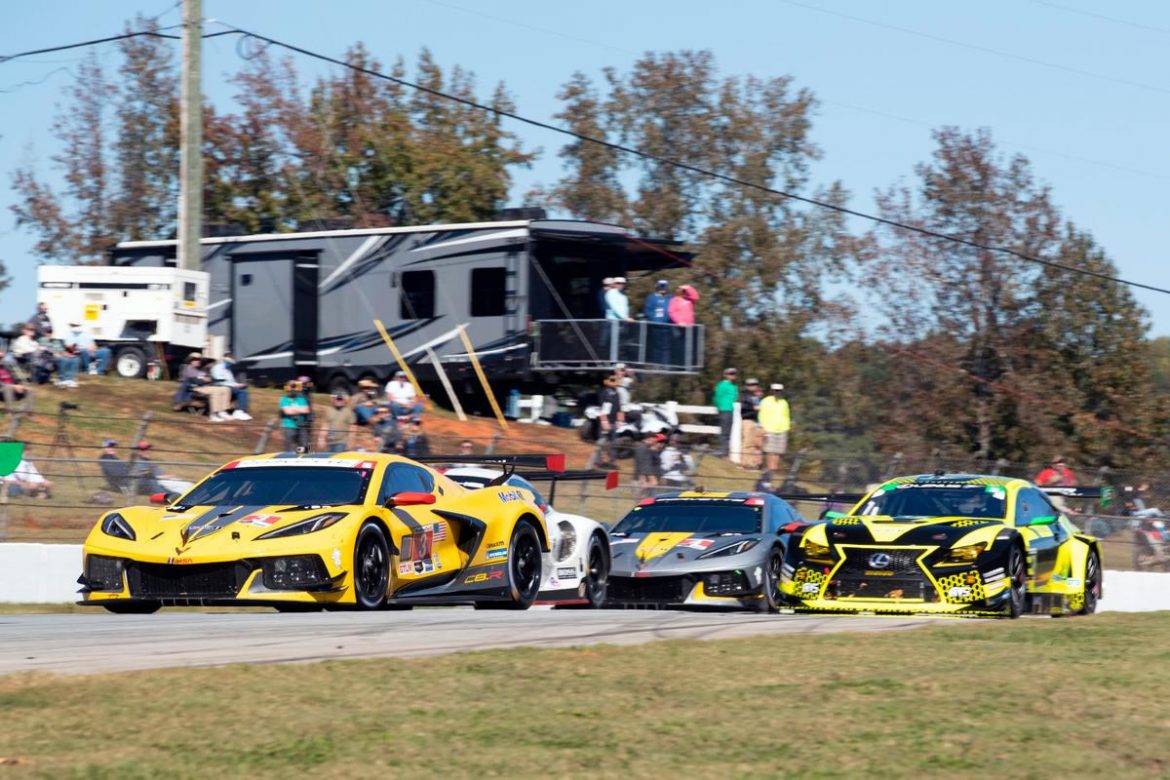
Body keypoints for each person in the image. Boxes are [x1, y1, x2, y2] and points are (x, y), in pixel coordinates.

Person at [182, 354, 232, 422]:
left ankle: (222, 411)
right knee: (216, 391)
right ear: (191, 361)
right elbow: (197, 381)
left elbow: (209, 379)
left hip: (205, 386)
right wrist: (204, 379)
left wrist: (205, 379)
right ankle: (213, 414)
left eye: (198, 360)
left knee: (226, 389)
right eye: (195, 360)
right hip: (195, 388)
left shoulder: (199, 369)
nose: (198, 361)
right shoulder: (189, 368)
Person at [758, 383, 792, 473]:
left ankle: (774, 468)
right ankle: (769, 468)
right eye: (776, 391)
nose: (777, 393)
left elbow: (787, 415)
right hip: (769, 428)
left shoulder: (784, 402)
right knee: (770, 450)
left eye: (779, 391)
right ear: (772, 391)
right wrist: (762, 427)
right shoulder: (765, 401)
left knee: (778, 451)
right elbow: (761, 415)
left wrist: (787, 426)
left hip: (782, 429)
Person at [209, 353, 252, 420]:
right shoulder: (217, 367)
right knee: (239, 391)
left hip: (229, 387)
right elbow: (219, 380)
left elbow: (231, 382)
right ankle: (236, 412)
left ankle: (240, 411)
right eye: (228, 362)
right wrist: (234, 385)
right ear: (224, 361)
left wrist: (238, 385)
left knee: (243, 391)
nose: (230, 364)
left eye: (230, 362)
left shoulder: (229, 371)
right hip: (219, 386)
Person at [596, 375, 623, 468]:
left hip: (614, 422)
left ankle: (613, 462)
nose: (614, 382)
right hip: (605, 421)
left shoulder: (617, 394)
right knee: (602, 443)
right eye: (612, 380)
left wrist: (620, 420)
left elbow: (619, 408)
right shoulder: (603, 393)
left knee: (614, 443)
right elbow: (602, 408)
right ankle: (599, 462)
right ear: (608, 382)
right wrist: (604, 422)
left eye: (615, 380)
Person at [712, 367, 739, 457]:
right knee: (724, 431)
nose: (733, 376)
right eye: (730, 374)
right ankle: (722, 450)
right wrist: (719, 408)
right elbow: (717, 397)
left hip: (733, 411)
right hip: (725, 409)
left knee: (730, 431)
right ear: (725, 375)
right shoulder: (722, 385)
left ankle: (726, 450)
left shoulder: (734, 386)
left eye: (734, 374)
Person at [279, 380, 312, 451]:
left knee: (305, 449)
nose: (293, 388)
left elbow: (306, 410)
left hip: (301, 426)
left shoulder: (301, 399)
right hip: (289, 427)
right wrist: (299, 409)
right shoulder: (284, 399)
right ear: (287, 388)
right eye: (291, 386)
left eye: (295, 386)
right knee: (290, 451)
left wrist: (292, 409)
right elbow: (287, 412)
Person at [740, 378, 764, 469]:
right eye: (751, 385)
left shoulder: (754, 396)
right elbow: (743, 406)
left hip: (754, 421)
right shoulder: (745, 395)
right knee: (747, 443)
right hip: (747, 420)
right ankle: (745, 463)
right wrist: (753, 408)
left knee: (753, 443)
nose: (753, 386)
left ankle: (752, 463)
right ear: (747, 386)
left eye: (755, 384)